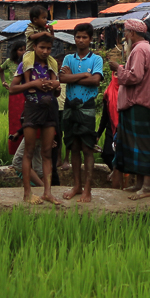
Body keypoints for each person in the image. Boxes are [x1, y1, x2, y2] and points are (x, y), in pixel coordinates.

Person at [107, 18, 150, 200]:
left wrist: (118, 68)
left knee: (143, 146)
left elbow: (135, 76)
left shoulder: (139, 50)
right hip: (139, 103)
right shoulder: (147, 49)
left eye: (125, 32)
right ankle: (140, 183)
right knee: (136, 146)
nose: (124, 36)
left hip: (138, 103)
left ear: (131, 33)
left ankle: (147, 186)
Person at [11, 33, 61, 205]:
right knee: (29, 152)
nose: (45, 51)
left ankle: (47, 192)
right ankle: (27, 193)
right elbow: (12, 88)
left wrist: (55, 86)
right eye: (42, 48)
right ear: (34, 47)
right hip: (32, 109)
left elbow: (56, 93)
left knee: (47, 152)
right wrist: (33, 84)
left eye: (48, 48)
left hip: (49, 109)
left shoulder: (52, 64)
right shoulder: (26, 64)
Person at [60, 23, 103, 203]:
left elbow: (95, 81)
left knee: (87, 147)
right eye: (78, 37)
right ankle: (77, 186)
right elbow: (62, 78)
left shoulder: (96, 59)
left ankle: (87, 189)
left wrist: (73, 77)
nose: (81, 40)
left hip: (87, 107)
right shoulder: (68, 58)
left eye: (84, 37)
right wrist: (84, 75)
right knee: (74, 147)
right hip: (70, 106)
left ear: (90, 39)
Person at [20, 6, 59, 73]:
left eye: (46, 18)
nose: (46, 20)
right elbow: (31, 36)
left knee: (53, 63)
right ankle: (27, 78)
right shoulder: (30, 27)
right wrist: (44, 33)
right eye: (43, 18)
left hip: (43, 53)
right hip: (31, 52)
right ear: (35, 19)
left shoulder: (45, 29)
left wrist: (51, 31)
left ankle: (54, 77)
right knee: (27, 63)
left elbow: (51, 39)